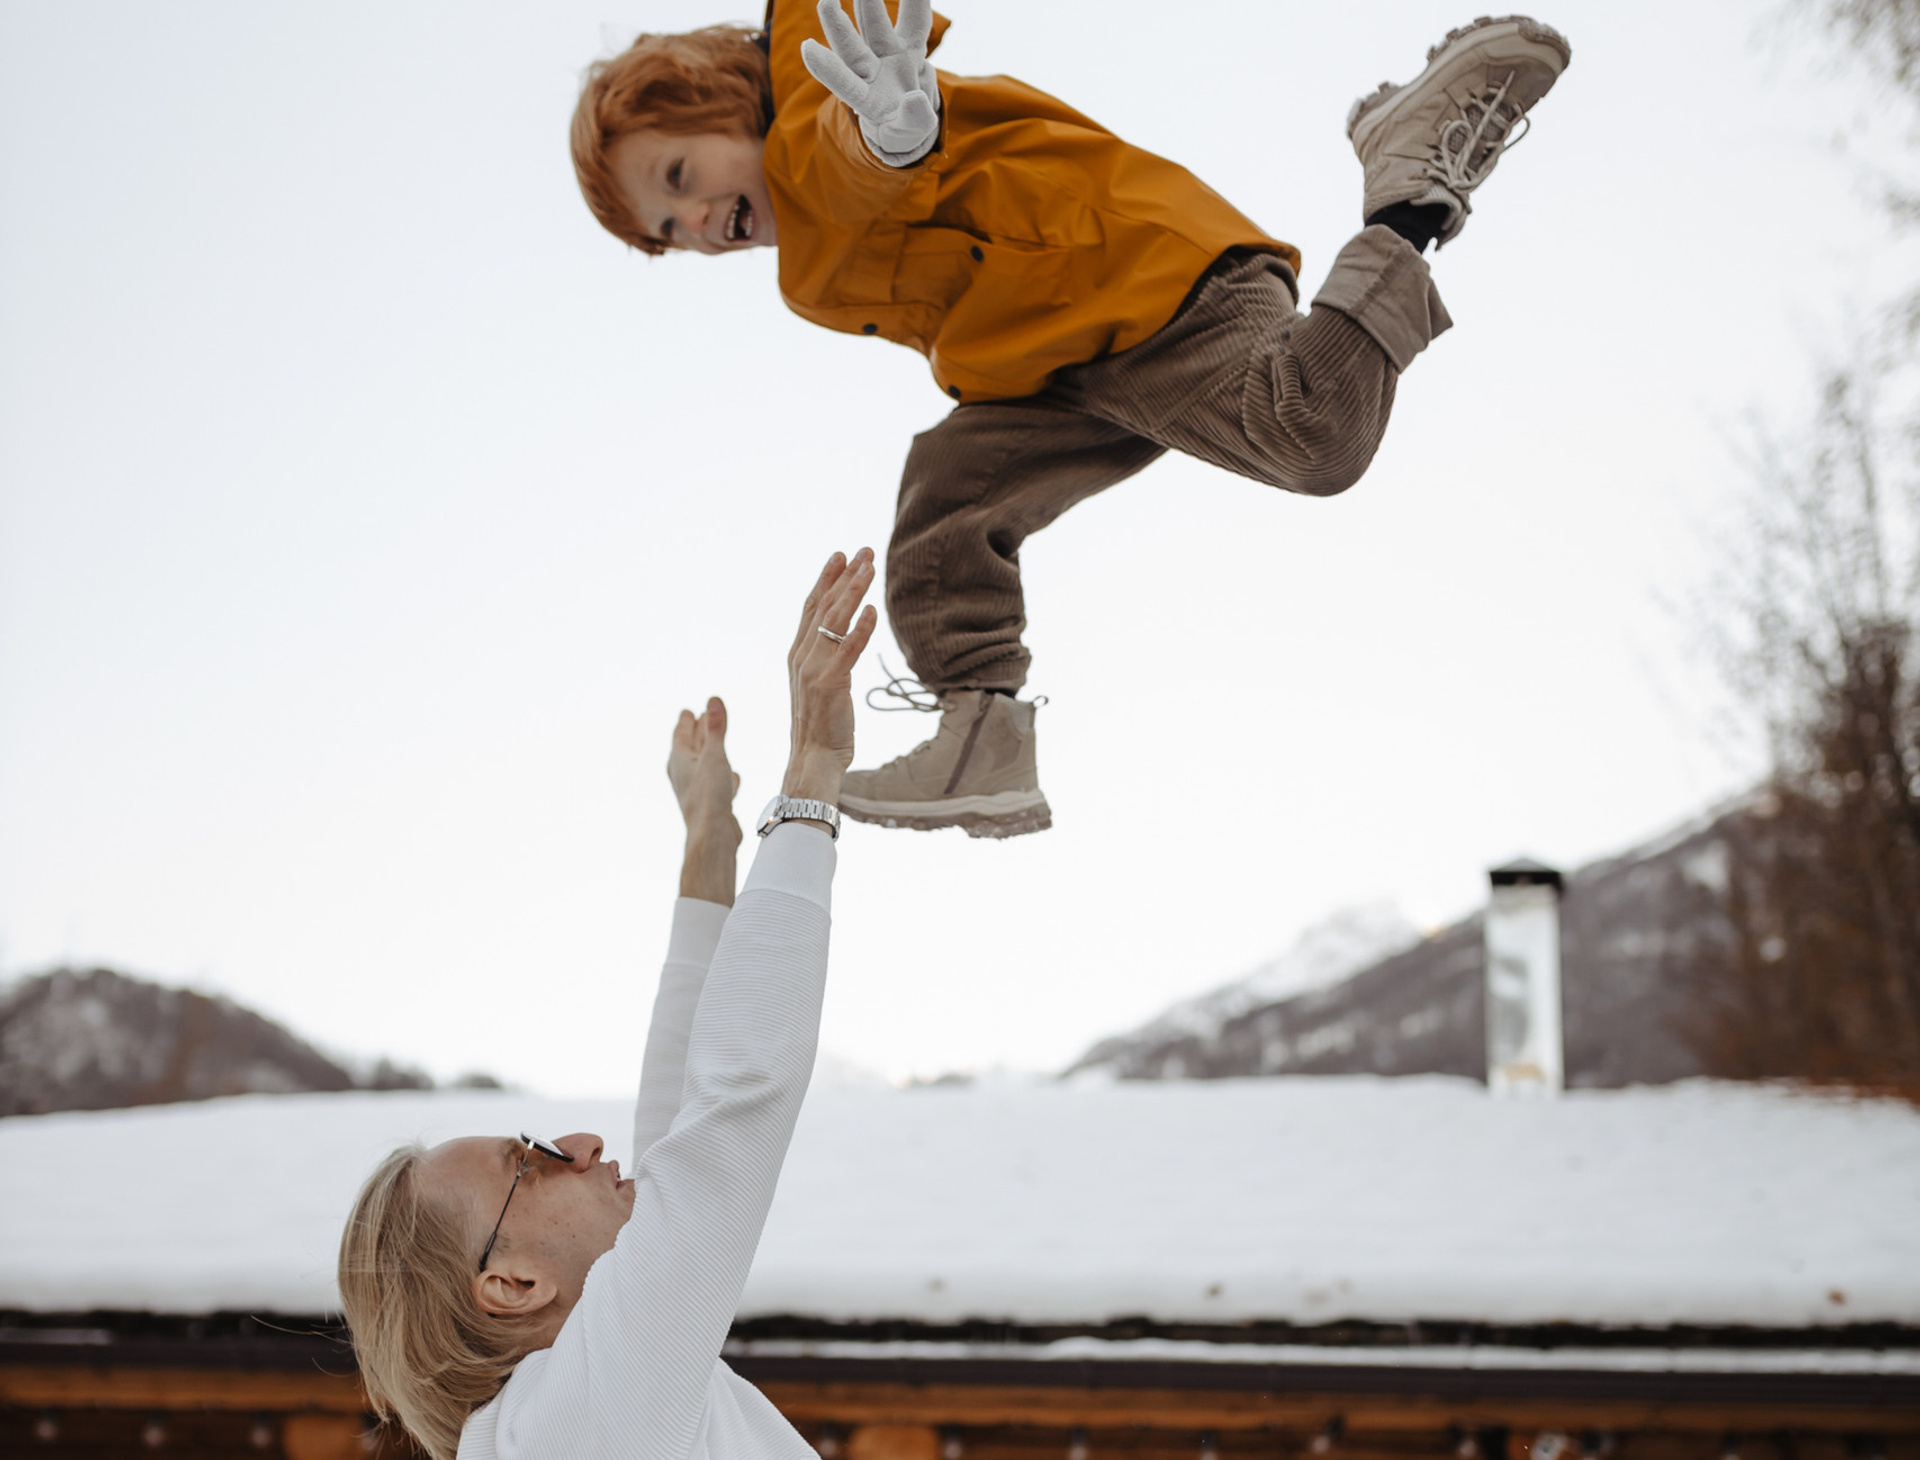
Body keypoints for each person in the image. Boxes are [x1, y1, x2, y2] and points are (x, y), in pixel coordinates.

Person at [569, 4, 1569, 837]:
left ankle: (1407, 198)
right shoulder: (805, 273)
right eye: (670, 233)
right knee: (945, 509)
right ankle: (980, 739)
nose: (696, 224)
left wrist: (888, 136)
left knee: (1312, 431)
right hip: (1051, 360)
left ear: (718, 103)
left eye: (679, 177)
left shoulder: (825, 110)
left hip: (1141, 287)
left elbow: (842, 165)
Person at [336, 549, 895, 1460]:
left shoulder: (609, 1420)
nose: (583, 1143)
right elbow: (725, 1127)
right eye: (537, 1160)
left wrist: (707, 862)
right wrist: (810, 787)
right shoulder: (578, 1435)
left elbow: (679, 1134)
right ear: (513, 1282)